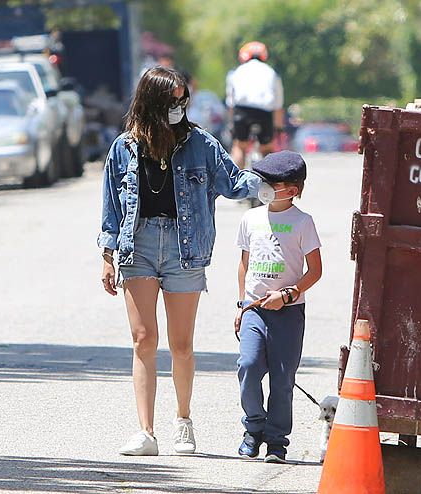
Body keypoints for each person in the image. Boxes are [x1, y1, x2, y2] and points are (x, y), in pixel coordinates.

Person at [98, 67, 261, 456]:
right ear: (153, 102)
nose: (180, 107)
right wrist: (106, 255)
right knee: (143, 340)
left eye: (183, 99)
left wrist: (275, 181)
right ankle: (146, 432)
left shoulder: (200, 143)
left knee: (182, 344)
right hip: (136, 245)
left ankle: (183, 421)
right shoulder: (123, 148)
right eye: (173, 100)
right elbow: (110, 207)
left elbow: (234, 182)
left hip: (184, 247)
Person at [233, 150, 322, 463]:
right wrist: (242, 305)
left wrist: (287, 294)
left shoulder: (303, 223)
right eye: (263, 181)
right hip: (254, 309)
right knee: (248, 366)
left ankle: (276, 440)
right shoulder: (250, 218)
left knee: (282, 380)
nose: (264, 186)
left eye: (272, 182)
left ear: (292, 190)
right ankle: (253, 427)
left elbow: (315, 270)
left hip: (288, 314)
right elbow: (244, 264)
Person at [225, 41, 284, 168]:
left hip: (242, 111)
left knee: (240, 146)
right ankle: (271, 180)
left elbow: (231, 102)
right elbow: (278, 104)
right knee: (267, 148)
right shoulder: (271, 72)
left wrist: (231, 125)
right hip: (264, 112)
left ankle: (235, 181)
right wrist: (278, 127)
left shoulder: (236, 72)